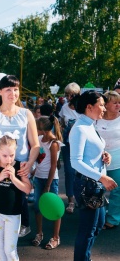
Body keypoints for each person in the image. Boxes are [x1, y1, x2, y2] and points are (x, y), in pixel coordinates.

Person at [0, 75, 39, 261]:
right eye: (8, 90)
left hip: (19, 171)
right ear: (0, 92)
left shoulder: (26, 114)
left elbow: (35, 145)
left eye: (16, 89)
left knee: (14, 213)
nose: (13, 93)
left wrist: (29, 164)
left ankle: (10, 250)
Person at [69, 90, 118, 261]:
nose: (104, 108)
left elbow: (92, 152)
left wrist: (105, 155)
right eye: (102, 105)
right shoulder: (80, 129)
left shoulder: (90, 124)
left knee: (96, 225)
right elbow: (75, 162)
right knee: (88, 230)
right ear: (89, 107)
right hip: (88, 186)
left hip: (94, 186)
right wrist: (102, 177)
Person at [0, 132, 31, 261]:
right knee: (0, 247)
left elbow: (27, 189)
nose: (8, 159)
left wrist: (14, 178)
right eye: (4, 156)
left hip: (13, 214)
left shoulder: (20, 166)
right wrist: (0, 177)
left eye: (11, 155)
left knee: (10, 250)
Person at [32, 115, 64, 249]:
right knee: (37, 207)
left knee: (55, 208)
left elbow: (53, 166)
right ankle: (39, 233)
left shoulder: (54, 144)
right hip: (38, 178)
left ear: (43, 130)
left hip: (50, 180)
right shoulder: (39, 139)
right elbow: (38, 157)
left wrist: (48, 185)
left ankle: (56, 237)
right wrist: (34, 170)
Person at [95, 91, 120, 229]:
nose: (118, 105)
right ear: (107, 104)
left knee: (117, 190)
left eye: (119, 102)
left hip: (118, 159)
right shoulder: (97, 118)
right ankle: (99, 217)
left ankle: (113, 219)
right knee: (98, 189)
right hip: (98, 159)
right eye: (115, 102)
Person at [59, 82, 81, 214]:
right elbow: (61, 122)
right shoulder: (64, 107)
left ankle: (81, 197)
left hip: (81, 145)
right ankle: (71, 199)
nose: (68, 97)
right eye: (66, 94)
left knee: (81, 172)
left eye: (71, 94)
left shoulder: (83, 108)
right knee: (69, 171)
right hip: (67, 144)